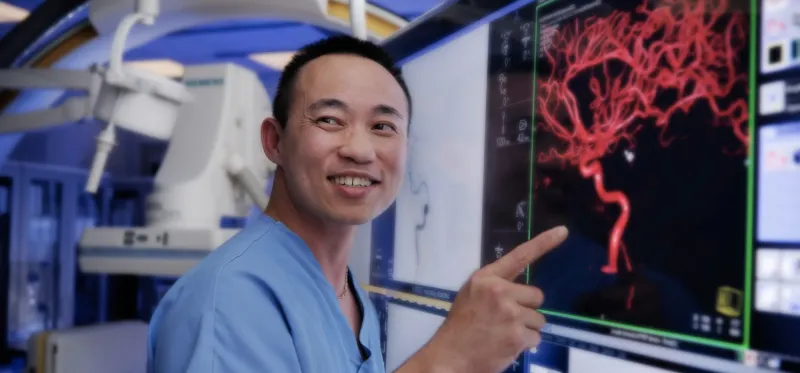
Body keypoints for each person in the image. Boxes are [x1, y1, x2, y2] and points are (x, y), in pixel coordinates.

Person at [147, 35, 568, 373]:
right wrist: (449, 359)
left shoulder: (349, 296)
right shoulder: (229, 300)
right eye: (330, 120)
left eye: (383, 126)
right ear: (275, 142)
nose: (360, 150)